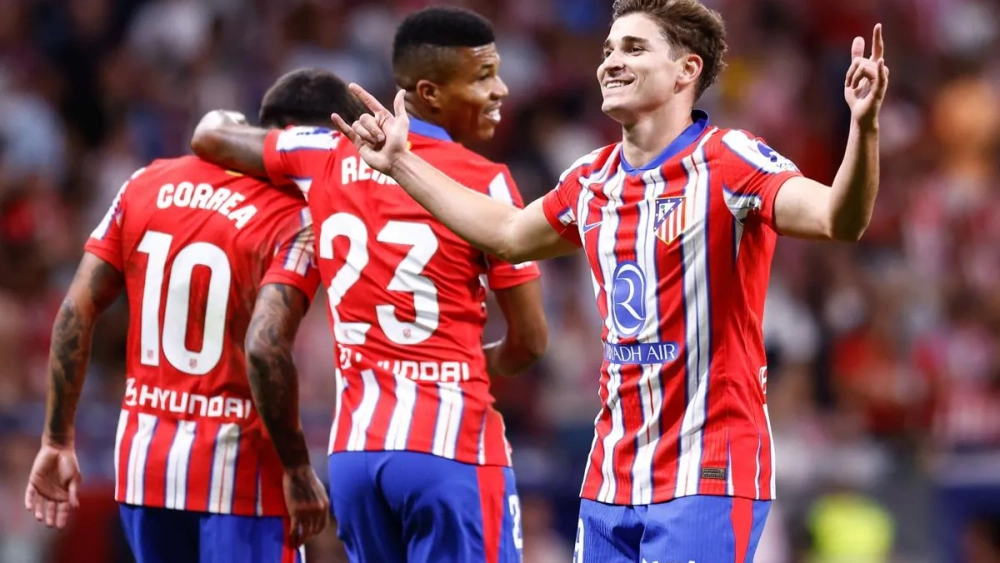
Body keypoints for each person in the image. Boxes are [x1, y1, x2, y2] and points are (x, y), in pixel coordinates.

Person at [330, 0, 890, 561]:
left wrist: (862, 130)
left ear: (686, 71)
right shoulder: (590, 179)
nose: (611, 62)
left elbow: (837, 219)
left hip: (708, 469)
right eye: (608, 49)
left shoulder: (731, 161)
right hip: (610, 477)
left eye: (634, 48)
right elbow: (505, 232)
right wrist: (401, 163)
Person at [190, 7, 547, 563]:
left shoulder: (321, 153)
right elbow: (531, 343)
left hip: (355, 454)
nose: (501, 89)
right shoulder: (489, 183)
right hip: (452, 447)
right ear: (429, 92)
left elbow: (211, 136)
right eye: (483, 77)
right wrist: (471, 361)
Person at [24, 68, 368, 563]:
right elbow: (266, 346)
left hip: (145, 465)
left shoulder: (144, 183)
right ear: (301, 136)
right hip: (241, 474)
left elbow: (77, 307)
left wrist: (57, 438)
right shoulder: (296, 216)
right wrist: (295, 468)